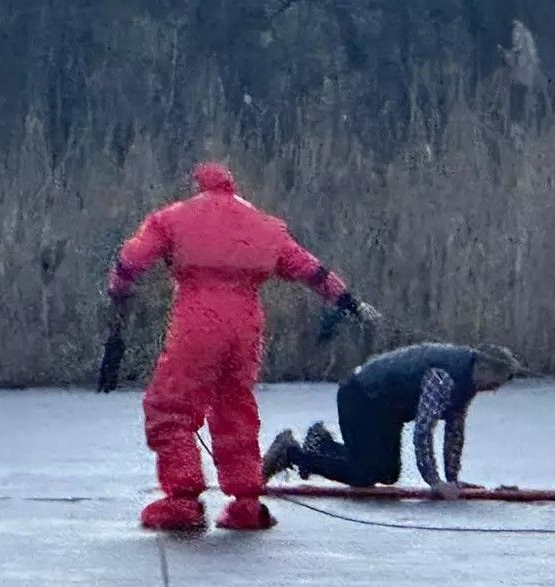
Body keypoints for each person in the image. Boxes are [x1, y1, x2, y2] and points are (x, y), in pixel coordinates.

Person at [101, 161, 378, 533]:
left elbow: (131, 261)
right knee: (235, 407)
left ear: (200, 185)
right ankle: (246, 500)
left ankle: (183, 498)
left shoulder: (173, 218)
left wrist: (118, 290)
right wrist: (349, 302)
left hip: (198, 319)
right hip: (246, 325)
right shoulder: (263, 225)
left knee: (169, 407)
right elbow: (311, 269)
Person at [262, 343, 524, 498]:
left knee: (387, 473)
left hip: (386, 409)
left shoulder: (468, 381)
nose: (495, 389)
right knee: (364, 474)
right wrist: (435, 483)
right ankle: (292, 453)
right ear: (484, 369)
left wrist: (452, 480)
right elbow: (423, 430)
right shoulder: (444, 377)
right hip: (361, 396)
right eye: (496, 382)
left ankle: (320, 443)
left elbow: (454, 431)